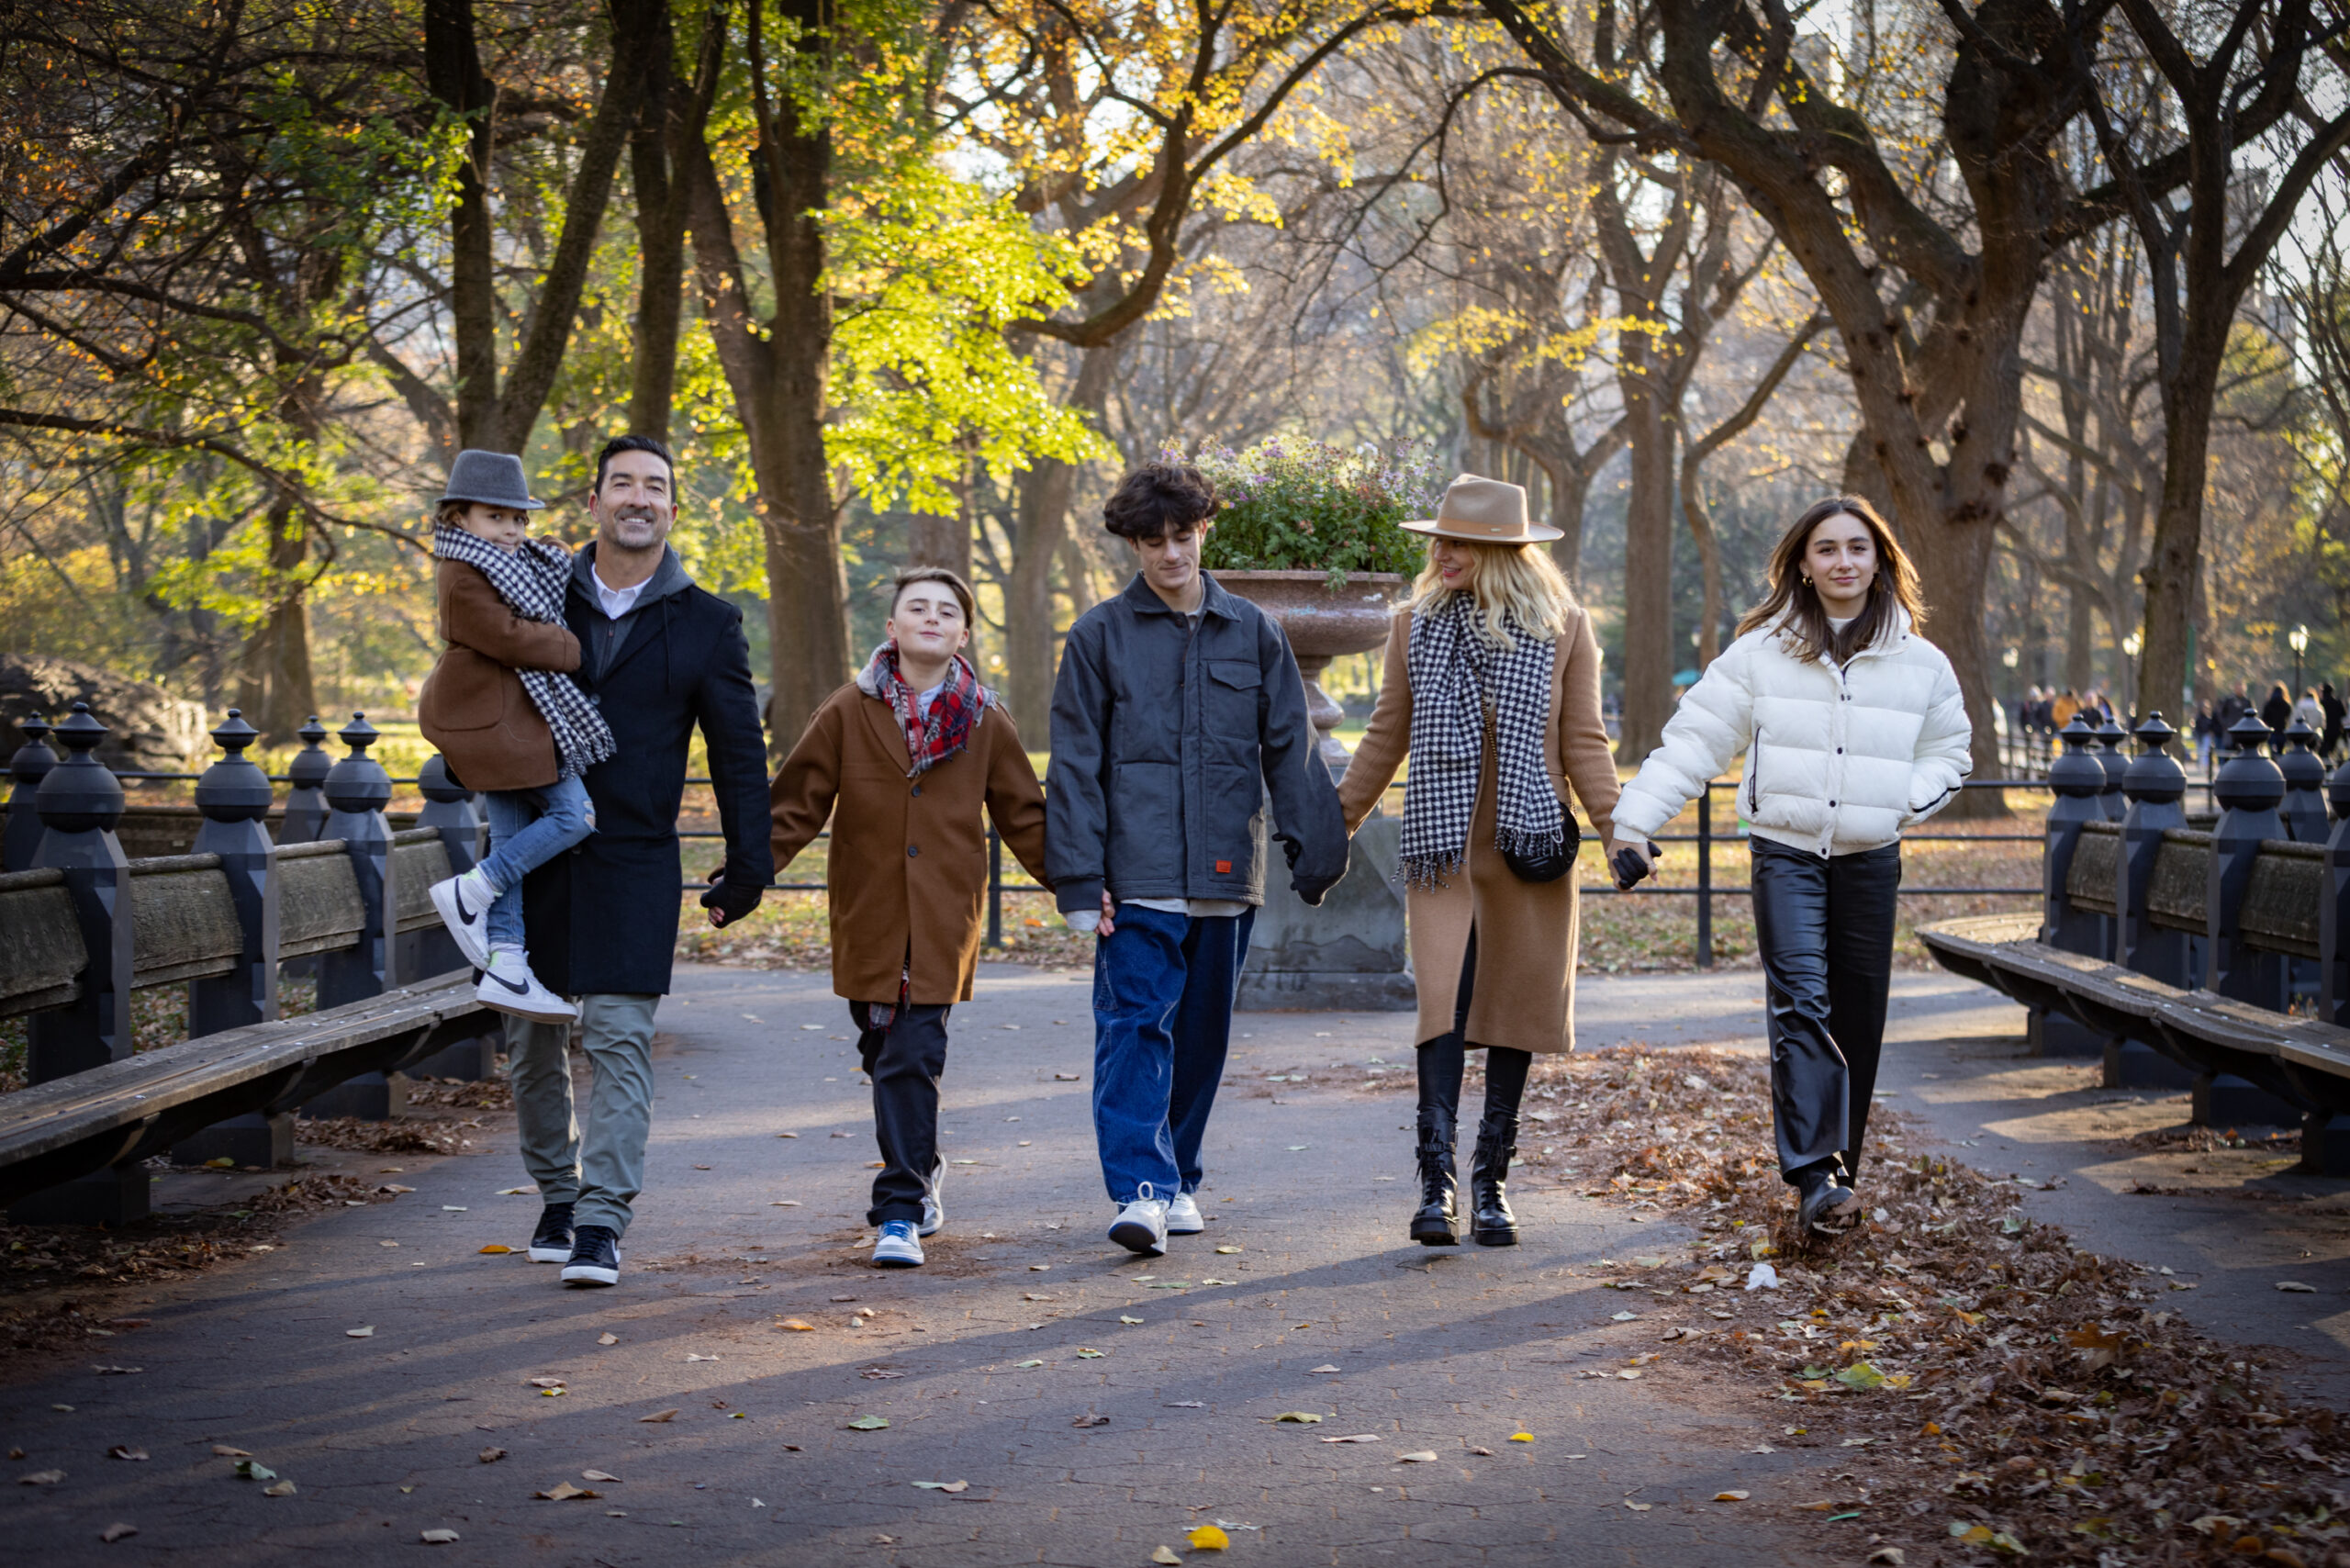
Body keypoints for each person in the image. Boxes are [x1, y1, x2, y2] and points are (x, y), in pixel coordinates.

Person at [1611, 496, 1971, 1236]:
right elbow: (1695, 743)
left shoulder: (1921, 662)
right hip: (1787, 854)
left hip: (1872, 858)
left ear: (1880, 561)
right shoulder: (1759, 654)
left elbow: (1950, 754)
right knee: (1802, 1002)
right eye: (1827, 549)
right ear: (1802, 566)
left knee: (1859, 1016)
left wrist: (1899, 799)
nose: (1844, 562)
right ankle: (1814, 1174)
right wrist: (1635, 821)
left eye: (1858, 549)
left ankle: (1841, 1178)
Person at [1046, 461, 1348, 1258]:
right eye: (1154, 541)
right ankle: (1141, 1191)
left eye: (1183, 536)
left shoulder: (1253, 631)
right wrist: (1078, 876)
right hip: (1134, 876)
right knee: (1136, 1028)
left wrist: (1316, 851)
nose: (1171, 553)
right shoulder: (1098, 635)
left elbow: (1291, 744)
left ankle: (1177, 1176)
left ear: (1204, 530)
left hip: (1223, 873)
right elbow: (1074, 761)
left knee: (1202, 1038)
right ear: (1134, 545)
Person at [506, 435, 773, 1288]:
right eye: (621, 483)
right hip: (534, 852)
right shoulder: (537, 600)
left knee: (620, 1037)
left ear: (671, 507)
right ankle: (557, 1193)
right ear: (594, 501)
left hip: (636, 858)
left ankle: (601, 1220)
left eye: (654, 486)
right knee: (533, 1043)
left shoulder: (708, 621)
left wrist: (749, 864)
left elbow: (738, 756)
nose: (638, 497)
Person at [1336, 476, 1620, 1247]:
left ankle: (1493, 1182)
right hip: (1442, 846)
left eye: (1460, 541)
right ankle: (1439, 1185)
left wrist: (1618, 829)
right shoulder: (1412, 626)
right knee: (1443, 1010)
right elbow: (1385, 736)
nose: (1443, 552)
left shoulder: (1564, 628)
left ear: (1502, 553)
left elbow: (1584, 742)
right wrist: (1337, 825)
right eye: (1440, 539)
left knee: (1513, 1013)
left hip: (1529, 846)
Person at [767, 567, 1050, 1270]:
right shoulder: (846, 710)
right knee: (882, 1051)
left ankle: (898, 1207)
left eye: (946, 610)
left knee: (912, 1052)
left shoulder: (986, 718)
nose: (931, 617)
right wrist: (746, 872)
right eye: (915, 608)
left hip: (943, 914)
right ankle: (920, 1158)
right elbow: (795, 803)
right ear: (891, 630)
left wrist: (1081, 886)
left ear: (962, 633)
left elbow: (1026, 817)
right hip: (871, 913)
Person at [419, 450, 610, 1024]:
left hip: (512, 721)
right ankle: (471, 891)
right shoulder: (461, 573)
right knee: (575, 816)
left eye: (518, 519)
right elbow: (510, 638)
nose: (510, 530)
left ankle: (506, 963)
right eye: (495, 517)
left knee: (510, 837)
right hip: (494, 724)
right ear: (459, 518)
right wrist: (569, 646)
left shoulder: (514, 565)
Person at [2264, 683, 2294, 754]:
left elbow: (2264, 719)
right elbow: (2289, 717)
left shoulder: (2268, 704)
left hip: (2271, 733)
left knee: (2272, 753)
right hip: (2282, 732)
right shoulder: (2286, 705)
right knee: (2280, 752)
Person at [2322, 682, 2344, 762]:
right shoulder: (2338, 703)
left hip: (2325, 732)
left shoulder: (2322, 703)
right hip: (2336, 731)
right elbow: (2343, 715)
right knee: (2333, 752)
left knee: (2325, 752)